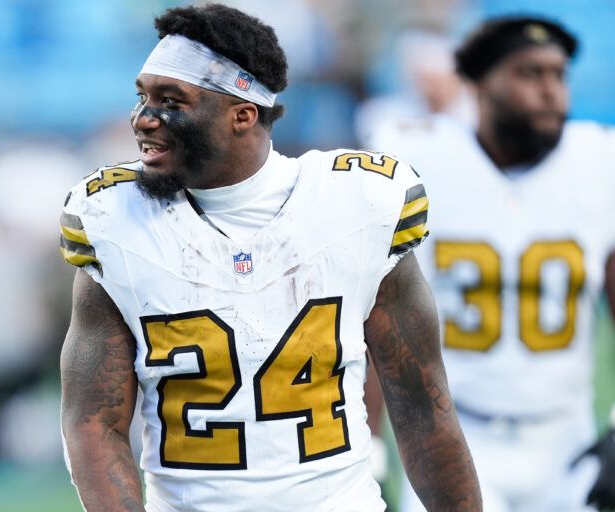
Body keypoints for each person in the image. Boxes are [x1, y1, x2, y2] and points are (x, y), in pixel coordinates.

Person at [58, 4, 481, 511]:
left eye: (171, 101)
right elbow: (93, 422)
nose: (143, 119)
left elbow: (421, 405)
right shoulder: (112, 218)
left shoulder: (359, 203)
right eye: (142, 96)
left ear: (243, 114)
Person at [369, 15, 615, 512]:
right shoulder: (419, 157)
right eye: (530, 74)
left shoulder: (598, 158)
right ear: (479, 85)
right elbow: (376, 311)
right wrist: (368, 437)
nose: (551, 92)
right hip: (455, 435)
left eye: (558, 75)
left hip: (566, 437)